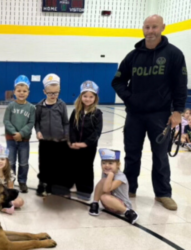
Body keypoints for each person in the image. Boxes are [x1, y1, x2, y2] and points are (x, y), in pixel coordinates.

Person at [111, 14, 187, 211]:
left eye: (154, 27)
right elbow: (117, 81)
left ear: (162, 27)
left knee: (160, 156)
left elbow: (180, 85)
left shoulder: (174, 54)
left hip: (160, 115)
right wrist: (130, 97)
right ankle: (129, 188)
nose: (150, 31)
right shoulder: (133, 56)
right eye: (147, 27)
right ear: (143, 29)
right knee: (132, 154)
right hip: (135, 114)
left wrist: (178, 111)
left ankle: (163, 193)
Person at [35, 73, 70, 197]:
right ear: (44, 91)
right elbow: (37, 122)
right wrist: (38, 131)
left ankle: (53, 184)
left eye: (56, 93)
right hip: (44, 141)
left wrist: (66, 135)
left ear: (59, 91)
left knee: (56, 163)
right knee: (44, 163)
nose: (53, 95)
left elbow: (66, 122)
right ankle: (42, 183)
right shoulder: (39, 106)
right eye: (50, 93)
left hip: (59, 141)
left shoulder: (62, 105)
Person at [69, 81, 103, 200]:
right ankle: (74, 185)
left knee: (86, 167)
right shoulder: (76, 112)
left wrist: (85, 143)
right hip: (75, 146)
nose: (88, 99)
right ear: (81, 97)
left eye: (91, 97)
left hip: (89, 147)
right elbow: (71, 128)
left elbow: (97, 132)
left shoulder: (97, 113)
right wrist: (73, 142)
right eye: (85, 96)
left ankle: (85, 190)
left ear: (95, 98)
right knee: (74, 165)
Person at [3, 75, 35, 193]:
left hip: (24, 140)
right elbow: (6, 121)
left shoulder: (31, 108)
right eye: (19, 91)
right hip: (11, 140)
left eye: (24, 91)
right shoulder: (11, 106)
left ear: (28, 92)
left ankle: (22, 182)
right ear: (14, 92)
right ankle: (10, 181)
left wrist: (21, 134)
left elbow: (31, 122)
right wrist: (14, 132)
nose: (21, 93)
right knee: (10, 162)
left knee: (23, 162)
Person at [89, 149, 139, 225]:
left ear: (118, 165)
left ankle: (128, 212)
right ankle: (95, 203)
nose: (107, 165)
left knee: (104, 197)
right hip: (109, 204)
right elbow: (103, 186)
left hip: (121, 205)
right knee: (103, 181)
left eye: (110, 163)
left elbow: (106, 189)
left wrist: (111, 175)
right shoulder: (106, 173)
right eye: (104, 163)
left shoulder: (120, 177)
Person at [0, 145, 24, 214]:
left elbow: (10, 189)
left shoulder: (10, 173)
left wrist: (7, 199)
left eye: (2, 159)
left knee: (20, 201)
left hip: (5, 195)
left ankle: (2, 206)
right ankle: (1, 207)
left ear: (6, 161)